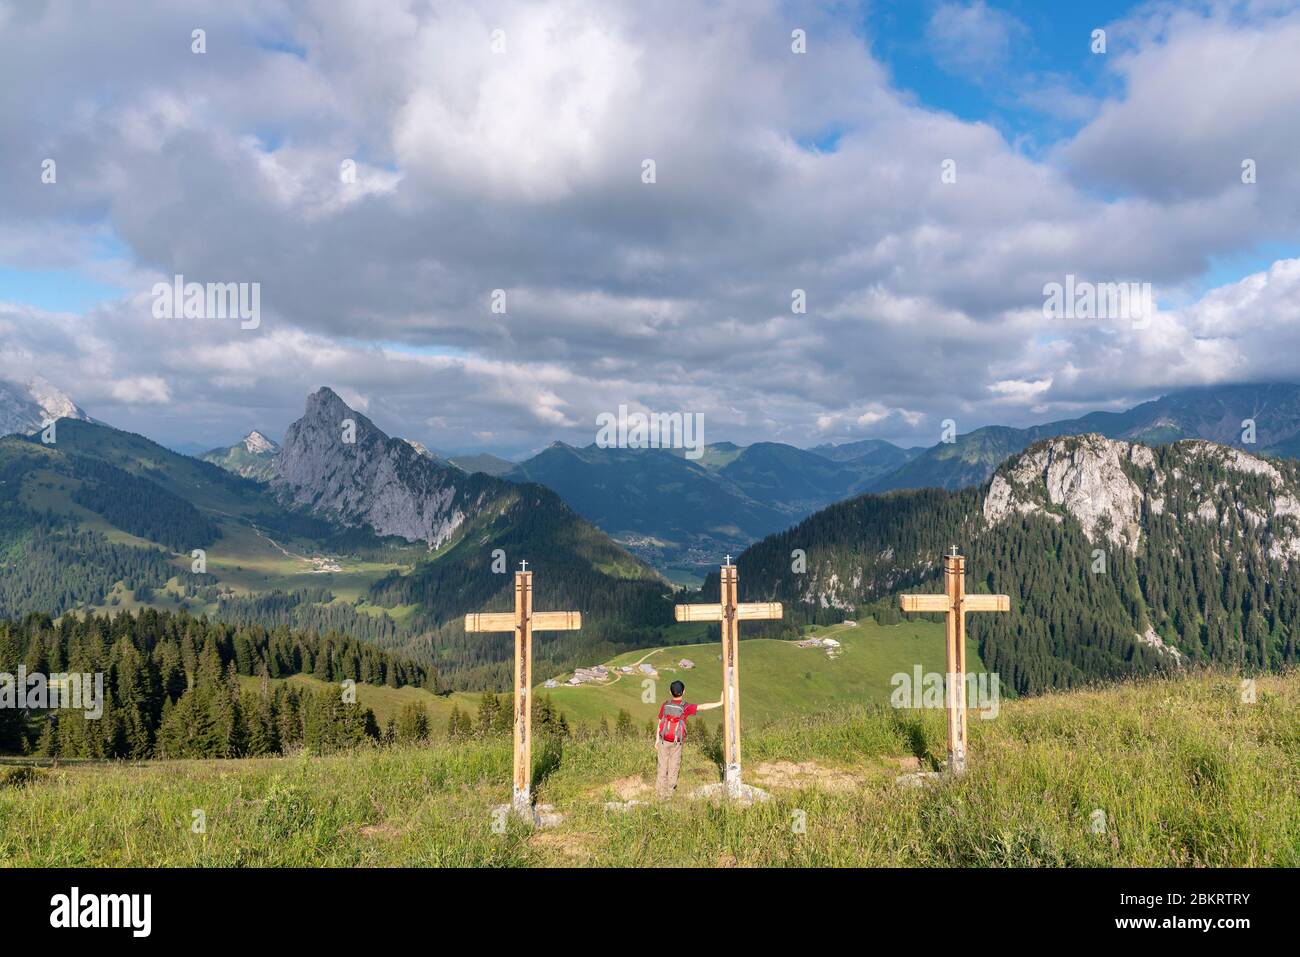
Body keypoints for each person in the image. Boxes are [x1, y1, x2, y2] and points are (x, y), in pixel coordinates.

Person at [655, 680, 722, 799]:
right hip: (677, 742)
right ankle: (670, 793)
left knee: (662, 765)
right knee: (674, 766)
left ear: (670, 691)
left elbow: (660, 721)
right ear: (684, 692)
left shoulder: (665, 705)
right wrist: (720, 702)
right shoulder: (685, 707)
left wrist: (656, 740)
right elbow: (702, 707)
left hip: (663, 740)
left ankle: (659, 794)